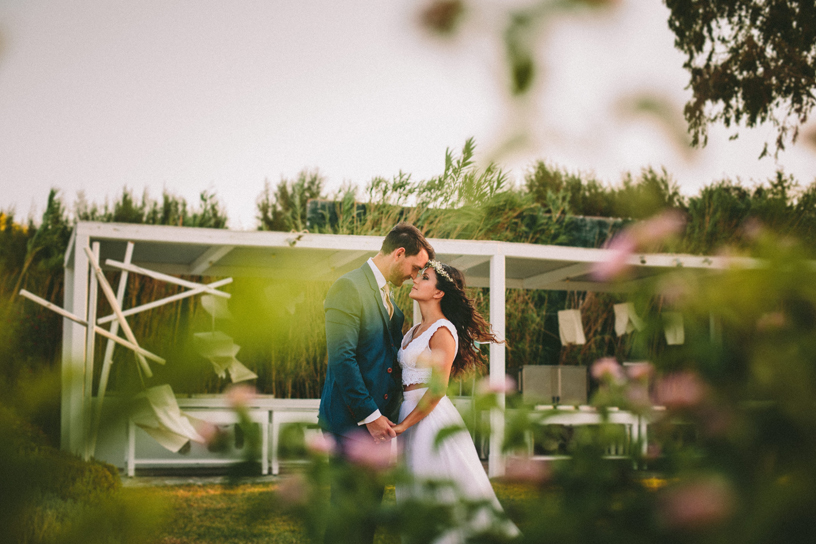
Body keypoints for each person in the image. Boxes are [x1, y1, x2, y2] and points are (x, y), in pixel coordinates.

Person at [318, 222, 434, 544]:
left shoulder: (393, 308)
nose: (415, 276)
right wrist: (370, 417)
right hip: (350, 423)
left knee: (368, 515)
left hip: (380, 429)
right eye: (415, 267)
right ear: (399, 253)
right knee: (345, 514)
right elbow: (343, 359)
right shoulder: (348, 287)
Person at [393, 260, 520, 543]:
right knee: (413, 490)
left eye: (424, 278)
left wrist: (404, 426)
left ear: (439, 293)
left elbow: (437, 389)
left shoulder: (443, 331)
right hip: (408, 412)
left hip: (429, 418)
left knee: (435, 490)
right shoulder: (413, 331)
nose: (415, 280)